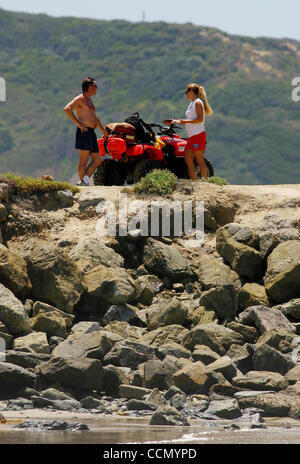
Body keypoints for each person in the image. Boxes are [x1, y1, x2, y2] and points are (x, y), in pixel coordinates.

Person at [64, 77, 108, 186]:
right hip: (83, 132)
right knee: (83, 160)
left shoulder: (90, 100)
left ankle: (84, 180)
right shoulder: (80, 99)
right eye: (95, 86)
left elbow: (95, 118)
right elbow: (67, 109)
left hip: (91, 132)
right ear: (89, 87)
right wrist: (78, 123)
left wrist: (103, 131)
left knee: (97, 160)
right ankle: (84, 184)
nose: (97, 88)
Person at [170, 83, 213, 180]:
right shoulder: (192, 103)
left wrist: (184, 121)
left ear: (192, 92)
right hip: (192, 136)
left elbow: (200, 120)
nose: (185, 94)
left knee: (199, 160)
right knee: (188, 159)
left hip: (198, 135)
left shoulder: (197, 102)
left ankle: (204, 182)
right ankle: (193, 181)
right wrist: (177, 121)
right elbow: (191, 118)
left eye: (187, 92)